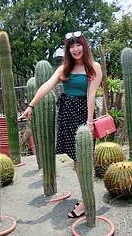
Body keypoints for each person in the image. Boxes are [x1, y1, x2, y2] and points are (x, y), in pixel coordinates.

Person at [20, 31, 102, 218]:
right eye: (71, 46)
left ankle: (85, 202)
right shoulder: (64, 68)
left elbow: (91, 95)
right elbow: (46, 85)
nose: (75, 49)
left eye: (78, 44)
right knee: (76, 161)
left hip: (82, 115)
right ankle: (86, 196)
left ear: (84, 46)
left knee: (83, 160)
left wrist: (89, 121)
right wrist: (31, 105)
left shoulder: (94, 67)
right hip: (67, 114)